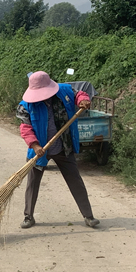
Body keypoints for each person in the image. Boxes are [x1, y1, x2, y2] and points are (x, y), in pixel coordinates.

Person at [16, 71, 100, 229]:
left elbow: (80, 94)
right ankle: (28, 217)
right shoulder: (26, 105)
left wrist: (83, 100)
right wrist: (35, 145)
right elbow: (25, 128)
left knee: (75, 181)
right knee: (32, 184)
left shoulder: (65, 91)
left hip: (64, 146)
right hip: (39, 150)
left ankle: (88, 216)